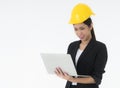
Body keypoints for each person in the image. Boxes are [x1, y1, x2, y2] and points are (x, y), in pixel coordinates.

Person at [55, 3, 108, 88]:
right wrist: (62, 73)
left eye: (82, 28)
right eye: (76, 29)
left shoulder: (100, 48)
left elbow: (96, 79)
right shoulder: (72, 46)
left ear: (90, 26)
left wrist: (73, 79)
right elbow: (69, 70)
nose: (79, 33)